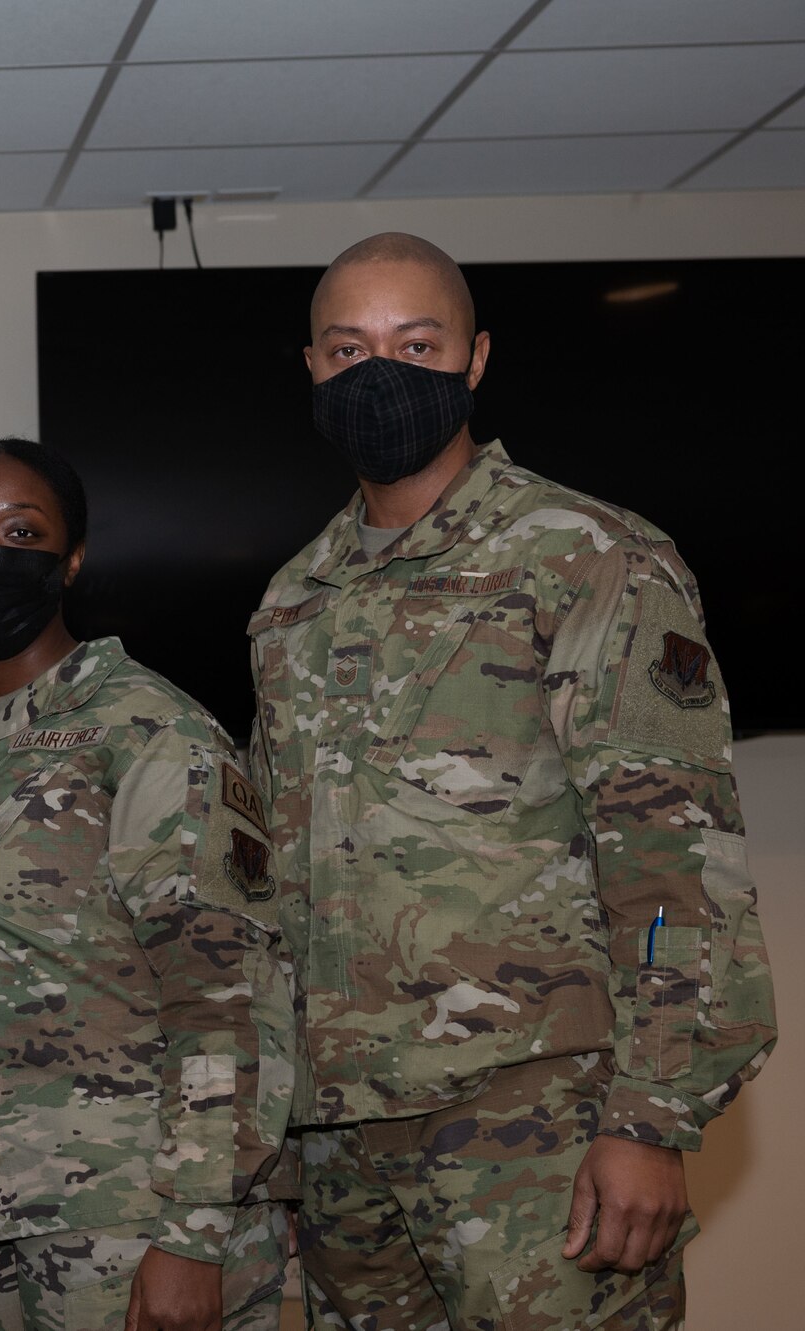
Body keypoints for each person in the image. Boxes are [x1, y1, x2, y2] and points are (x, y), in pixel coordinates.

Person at [249, 232, 776, 1330]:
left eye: (415, 341)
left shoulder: (586, 556)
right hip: (342, 1140)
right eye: (347, 347)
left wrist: (650, 1114)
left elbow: (674, 854)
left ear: (473, 359)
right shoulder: (293, 599)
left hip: (535, 1118)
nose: (377, 371)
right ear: (309, 367)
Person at [0, 439, 292, 1331]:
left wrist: (195, 1232)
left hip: (129, 1220)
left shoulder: (146, 729)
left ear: (71, 559)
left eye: (20, 530)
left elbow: (227, 996)